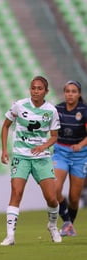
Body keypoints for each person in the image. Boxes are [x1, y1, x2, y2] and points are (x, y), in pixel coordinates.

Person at [0, 75, 61, 246]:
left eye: (39, 88)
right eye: (33, 88)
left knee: (51, 197)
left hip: (42, 158)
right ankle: (10, 236)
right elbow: (5, 126)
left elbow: (55, 136)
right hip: (21, 156)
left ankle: (53, 226)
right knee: (16, 193)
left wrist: (43, 146)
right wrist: (5, 150)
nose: (36, 91)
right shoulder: (19, 105)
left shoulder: (51, 111)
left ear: (46, 91)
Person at [52, 80, 87, 237]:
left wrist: (80, 144)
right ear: (64, 93)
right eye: (67, 91)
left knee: (74, 197)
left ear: (78, 94)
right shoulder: (57, 109)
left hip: (80, 155)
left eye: (73, 91)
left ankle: (69, 225)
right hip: (61, 152)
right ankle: (66, 221)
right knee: (55, 189)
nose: (70, 94)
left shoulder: (84, 111)